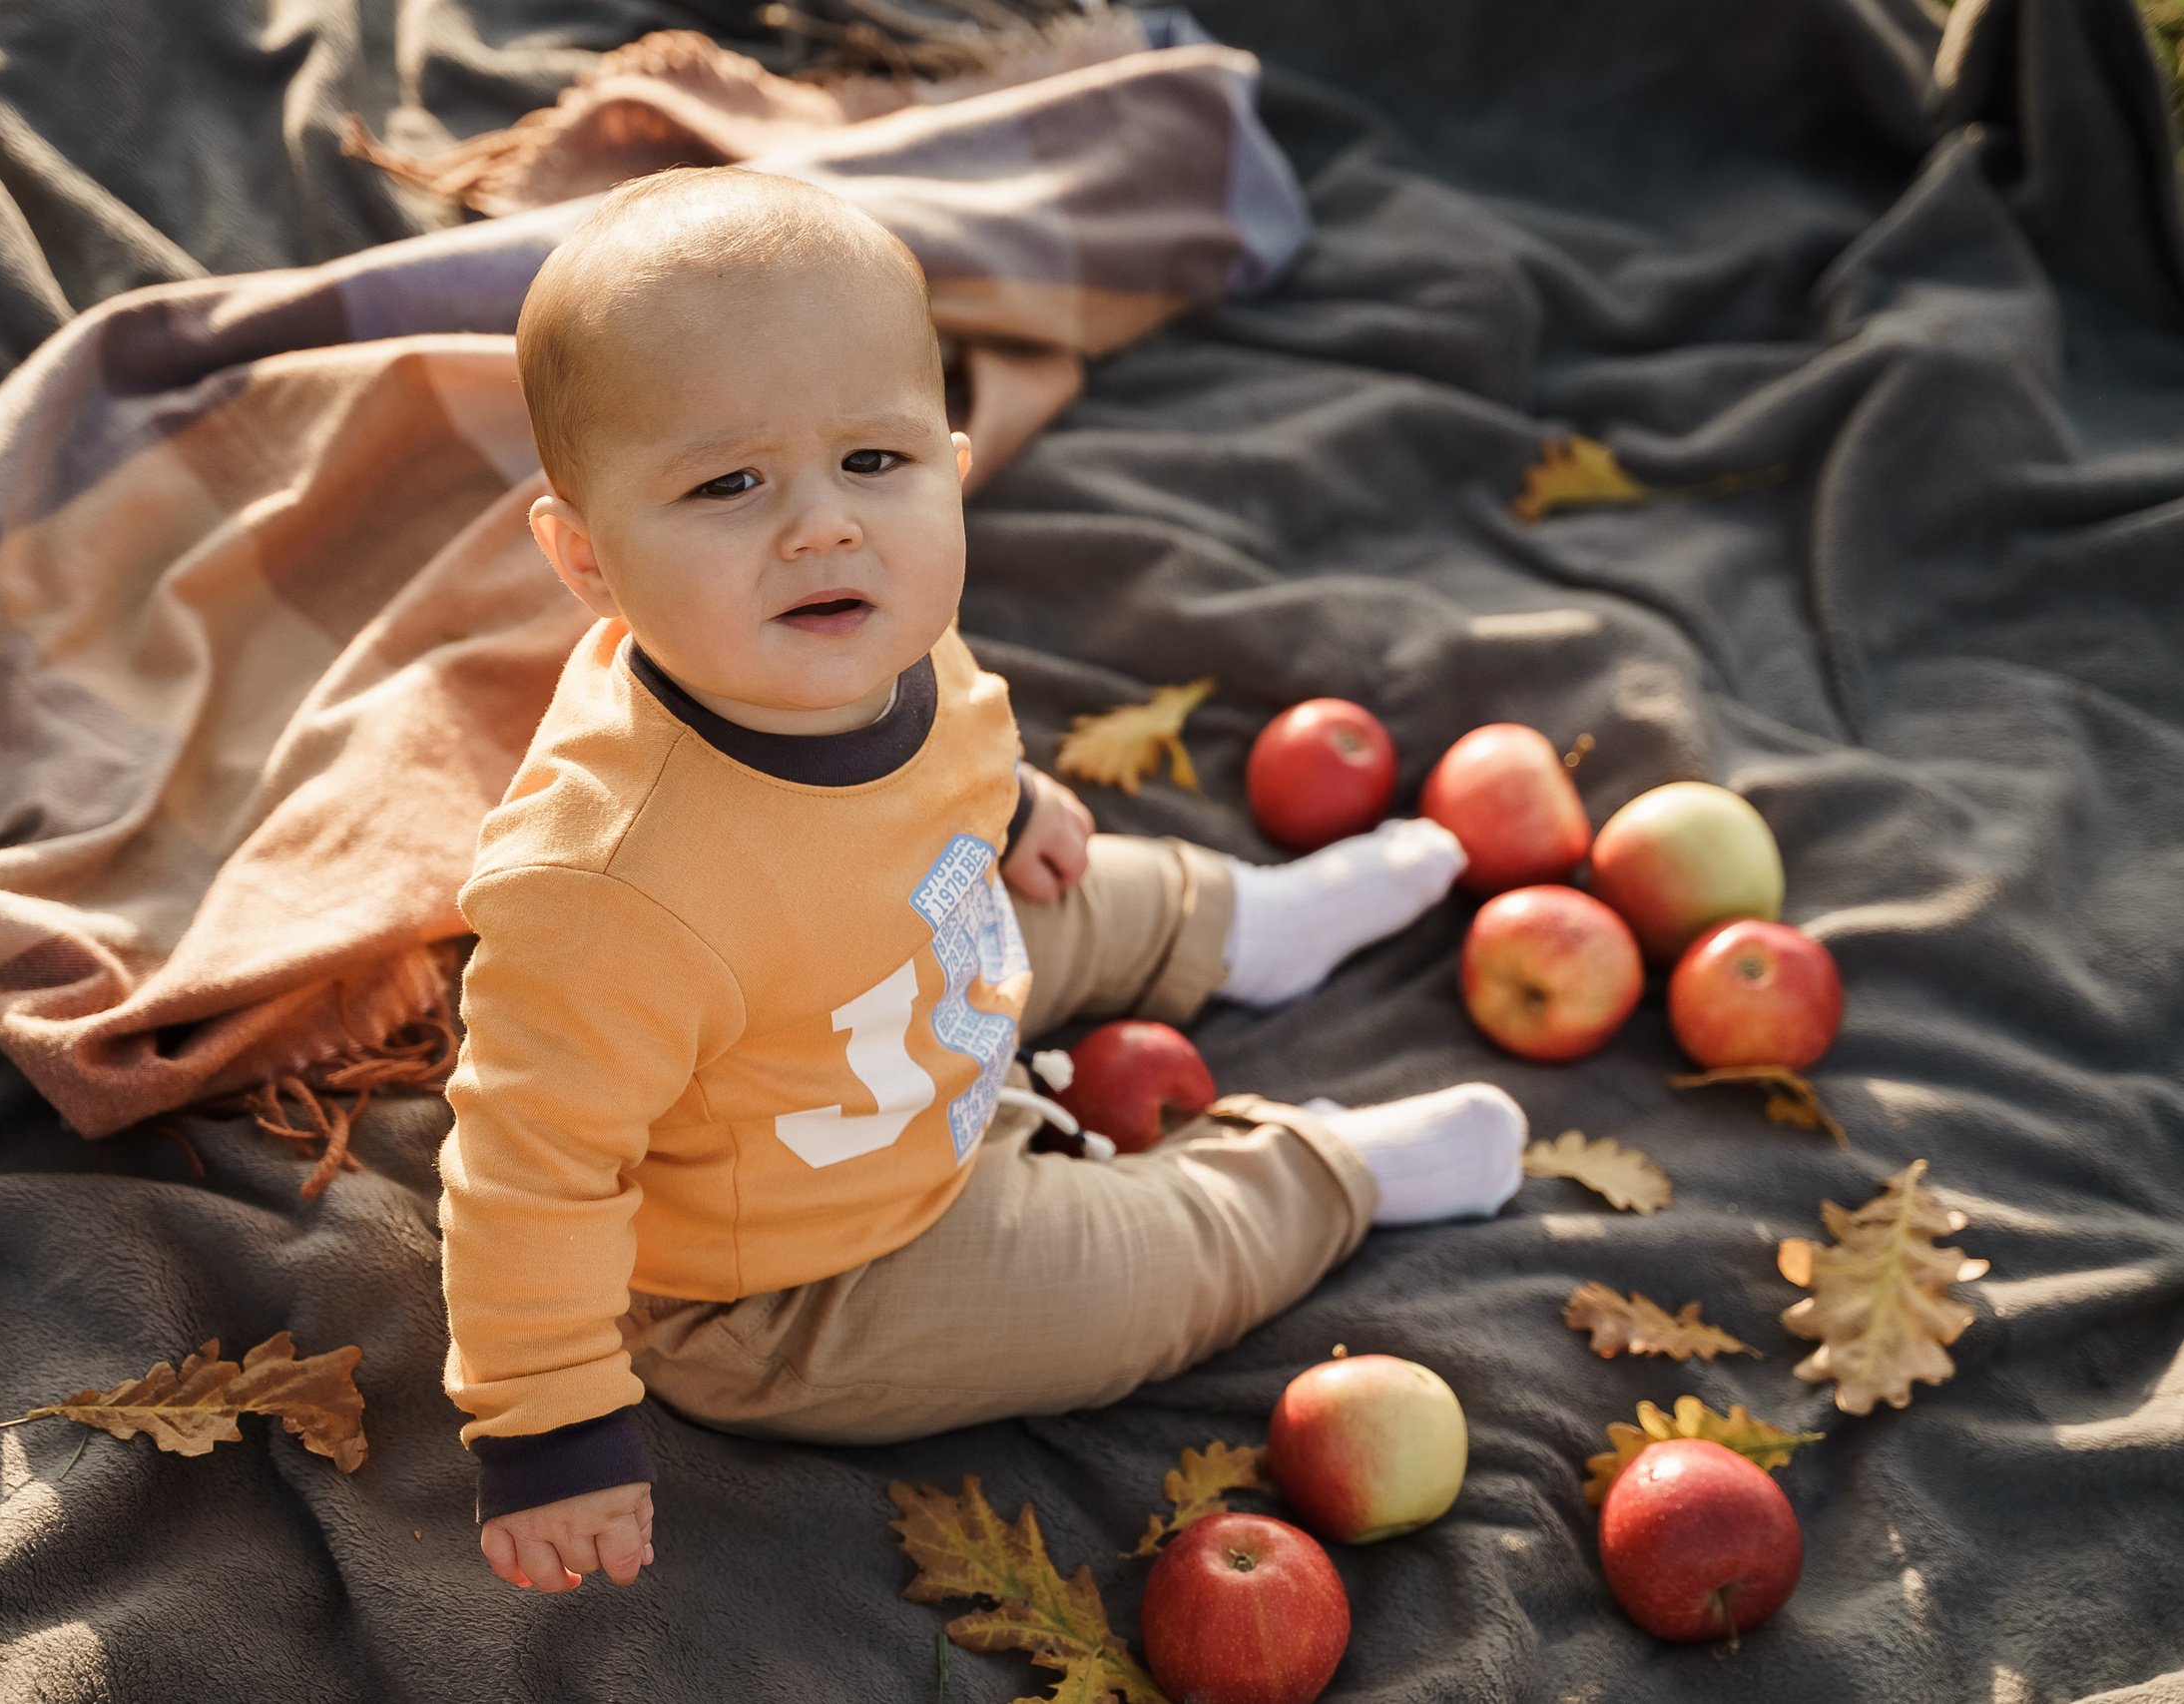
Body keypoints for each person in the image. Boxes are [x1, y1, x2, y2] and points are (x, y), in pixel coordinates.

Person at [439, 166, 1528, 1597]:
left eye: (874, 463)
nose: (824, 525)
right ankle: (1322, 1173)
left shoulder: (859, 633)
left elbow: (947, 756)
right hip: (798, 1273)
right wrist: (549, 1427)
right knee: (1129, 1284)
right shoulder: (608, 892)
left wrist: (1012, 801)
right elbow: (526, 1176)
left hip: (910, 999)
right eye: (726, 483)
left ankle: (1244, 925)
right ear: (588, 558)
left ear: (950, 468)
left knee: (1068, 886)